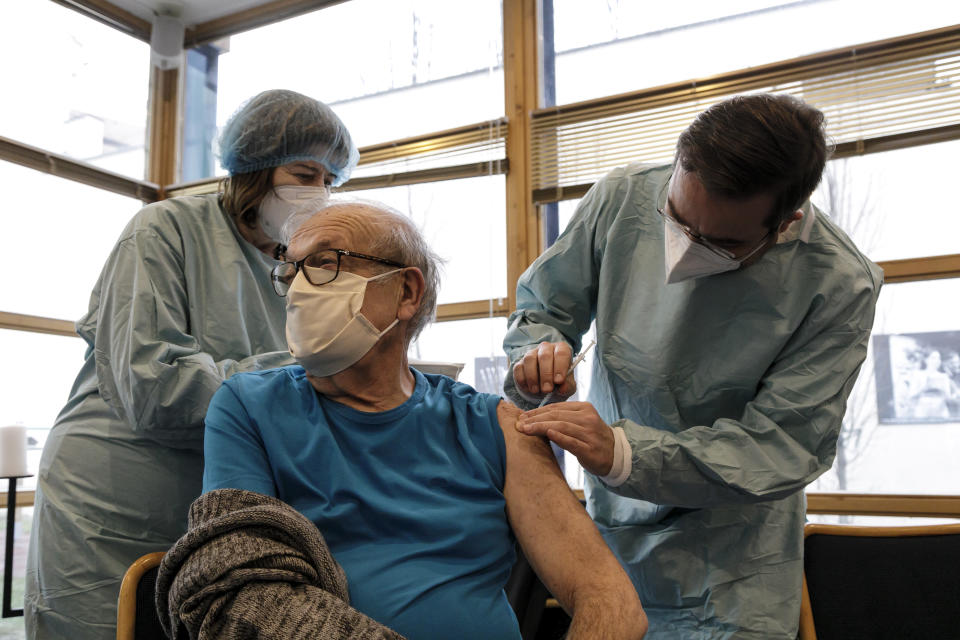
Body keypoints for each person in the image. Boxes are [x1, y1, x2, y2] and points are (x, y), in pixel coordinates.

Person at [502, 94, 883, 638]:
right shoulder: (625, 196)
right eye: (676, 219)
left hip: (732, 563)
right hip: (612, 532)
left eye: (721, 243)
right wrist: (537, 354)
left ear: (786, 221)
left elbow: (783, 443)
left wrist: (626, 453)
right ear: (678, 165)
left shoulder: (839, 284)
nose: (684, 249)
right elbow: (543, 308)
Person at [198, 200, 648, 639]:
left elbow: (612, 604)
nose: (298, 289)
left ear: (406, 292)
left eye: (324, 263)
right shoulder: (249, 406)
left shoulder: (490, 425)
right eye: (291, 271)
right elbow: (241, 588)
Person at [25, 89, 358, 640]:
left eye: (331, 180)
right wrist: (305, 370)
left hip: (211, 505)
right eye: (305, 173)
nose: (320, 193)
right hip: (112, 496)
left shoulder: (297, 266)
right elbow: (154, 387)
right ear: (254, 166)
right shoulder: (161, 231)